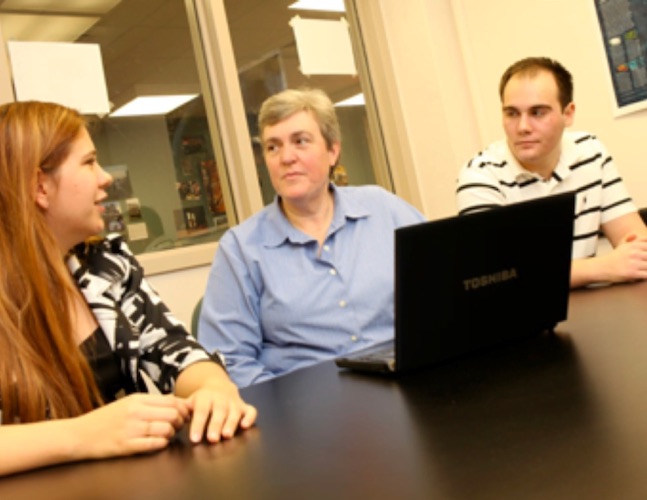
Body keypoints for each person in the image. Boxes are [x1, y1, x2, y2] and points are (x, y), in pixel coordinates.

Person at [0, 101, 256, 477]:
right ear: (40, 186)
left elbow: (178, 351)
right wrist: (84, 436)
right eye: (88, 163)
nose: (105, 178)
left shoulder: (107, 266)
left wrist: (214, 390)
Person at [198, 88, 426, 387]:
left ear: (333, 150)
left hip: (407, 386)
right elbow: (230, 360)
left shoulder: (384, 210)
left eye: (300, 142)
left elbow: (440, 294)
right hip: (305, 411)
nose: (286, 157)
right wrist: (283, 413)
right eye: (273, 147)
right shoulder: (241, 248)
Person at [456, 56, 647, 288]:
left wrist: (625, 260)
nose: (523, 127)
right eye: (512, 113)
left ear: (568, 114)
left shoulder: (590, 151)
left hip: (591, 310)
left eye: (537, 112)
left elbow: (637, 242)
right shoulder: (479, 175)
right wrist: (605, 267)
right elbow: (498, 276)